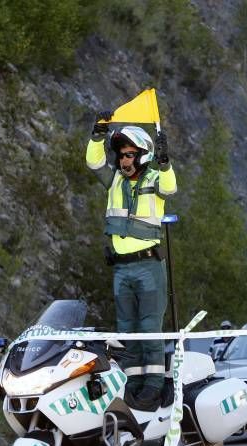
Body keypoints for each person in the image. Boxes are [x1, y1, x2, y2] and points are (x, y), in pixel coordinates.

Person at [86, 111, 177, 412]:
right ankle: (132, 386)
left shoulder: (154, 179)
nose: (124, 161)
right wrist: (98, 134)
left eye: (129, 155)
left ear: (142, 155)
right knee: (126, 333)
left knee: (149, 328)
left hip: (149, 267)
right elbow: (94, 162)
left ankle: (153, 388)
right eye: (121, 155)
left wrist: (165, 163)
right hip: (121, 268)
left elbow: (170, 188)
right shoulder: (113, 180)